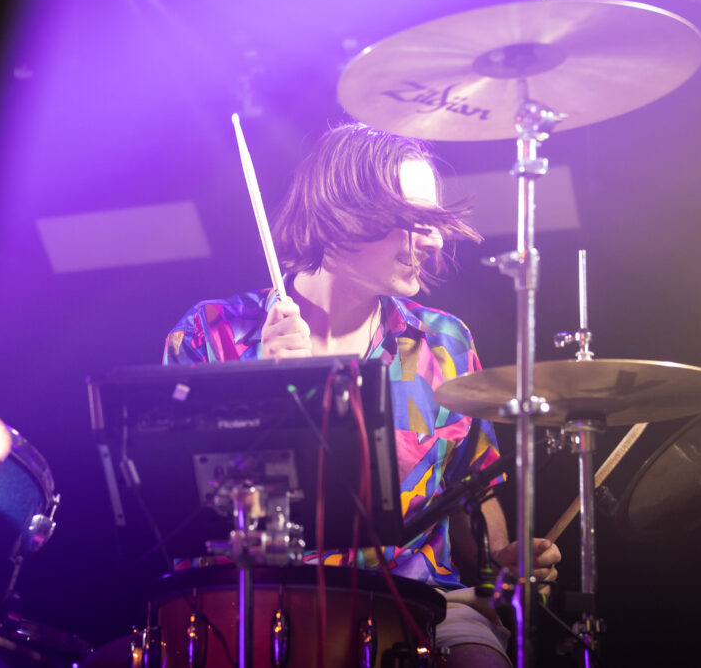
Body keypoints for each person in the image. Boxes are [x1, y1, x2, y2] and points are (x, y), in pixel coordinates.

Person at [163, 123, 560, 667]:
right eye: (417, 222)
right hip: (253, 606)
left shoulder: (443, 344)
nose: (436, 240)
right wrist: (261, 393)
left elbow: (475, 494)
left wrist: (500, 567)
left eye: (436, 223)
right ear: (342, 214)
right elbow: (179, 520)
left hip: (424, 606)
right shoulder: (211, 334)